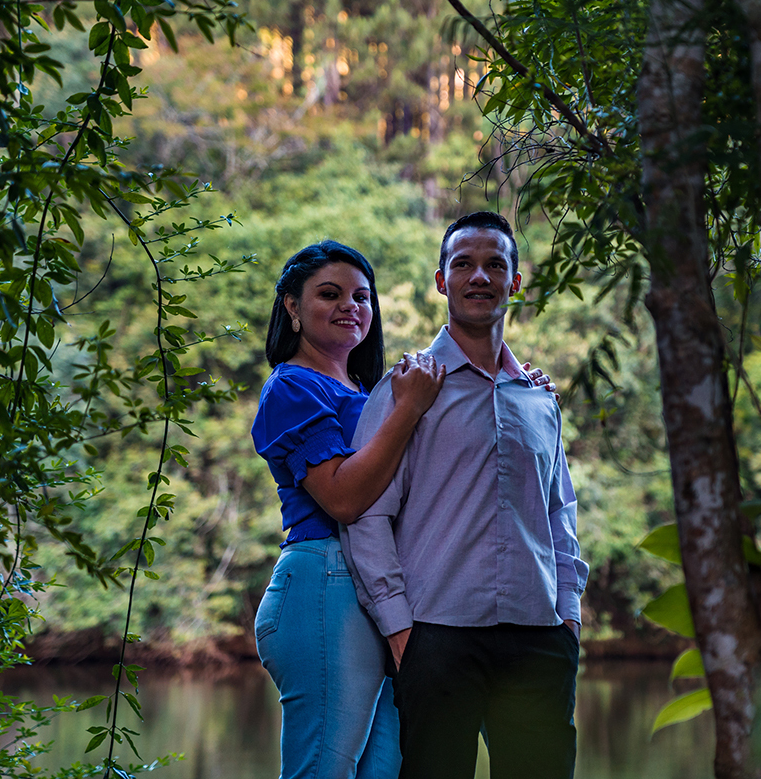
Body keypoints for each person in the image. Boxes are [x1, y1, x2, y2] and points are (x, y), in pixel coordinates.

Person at [251, 240, 557, 779]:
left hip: (392, 589)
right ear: (292, 307)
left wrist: (517, 390)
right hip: (325, 579)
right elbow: (345, 500)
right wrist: (410, 407)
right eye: (330, 294)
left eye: (362, 296)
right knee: (323, 768)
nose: (351, 306)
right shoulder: (292, 387)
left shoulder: (371, 389)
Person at [342, 211, 589, 779]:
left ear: (515, 283)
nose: (480, 276)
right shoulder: (406, 388)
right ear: (441, 281)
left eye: (495, 265)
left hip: (539, 638)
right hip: (437, 638)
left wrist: (568, 618)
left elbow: (559, 515)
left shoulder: (538, 399)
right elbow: (368, 517)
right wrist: (402, 630)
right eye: (464, 264)